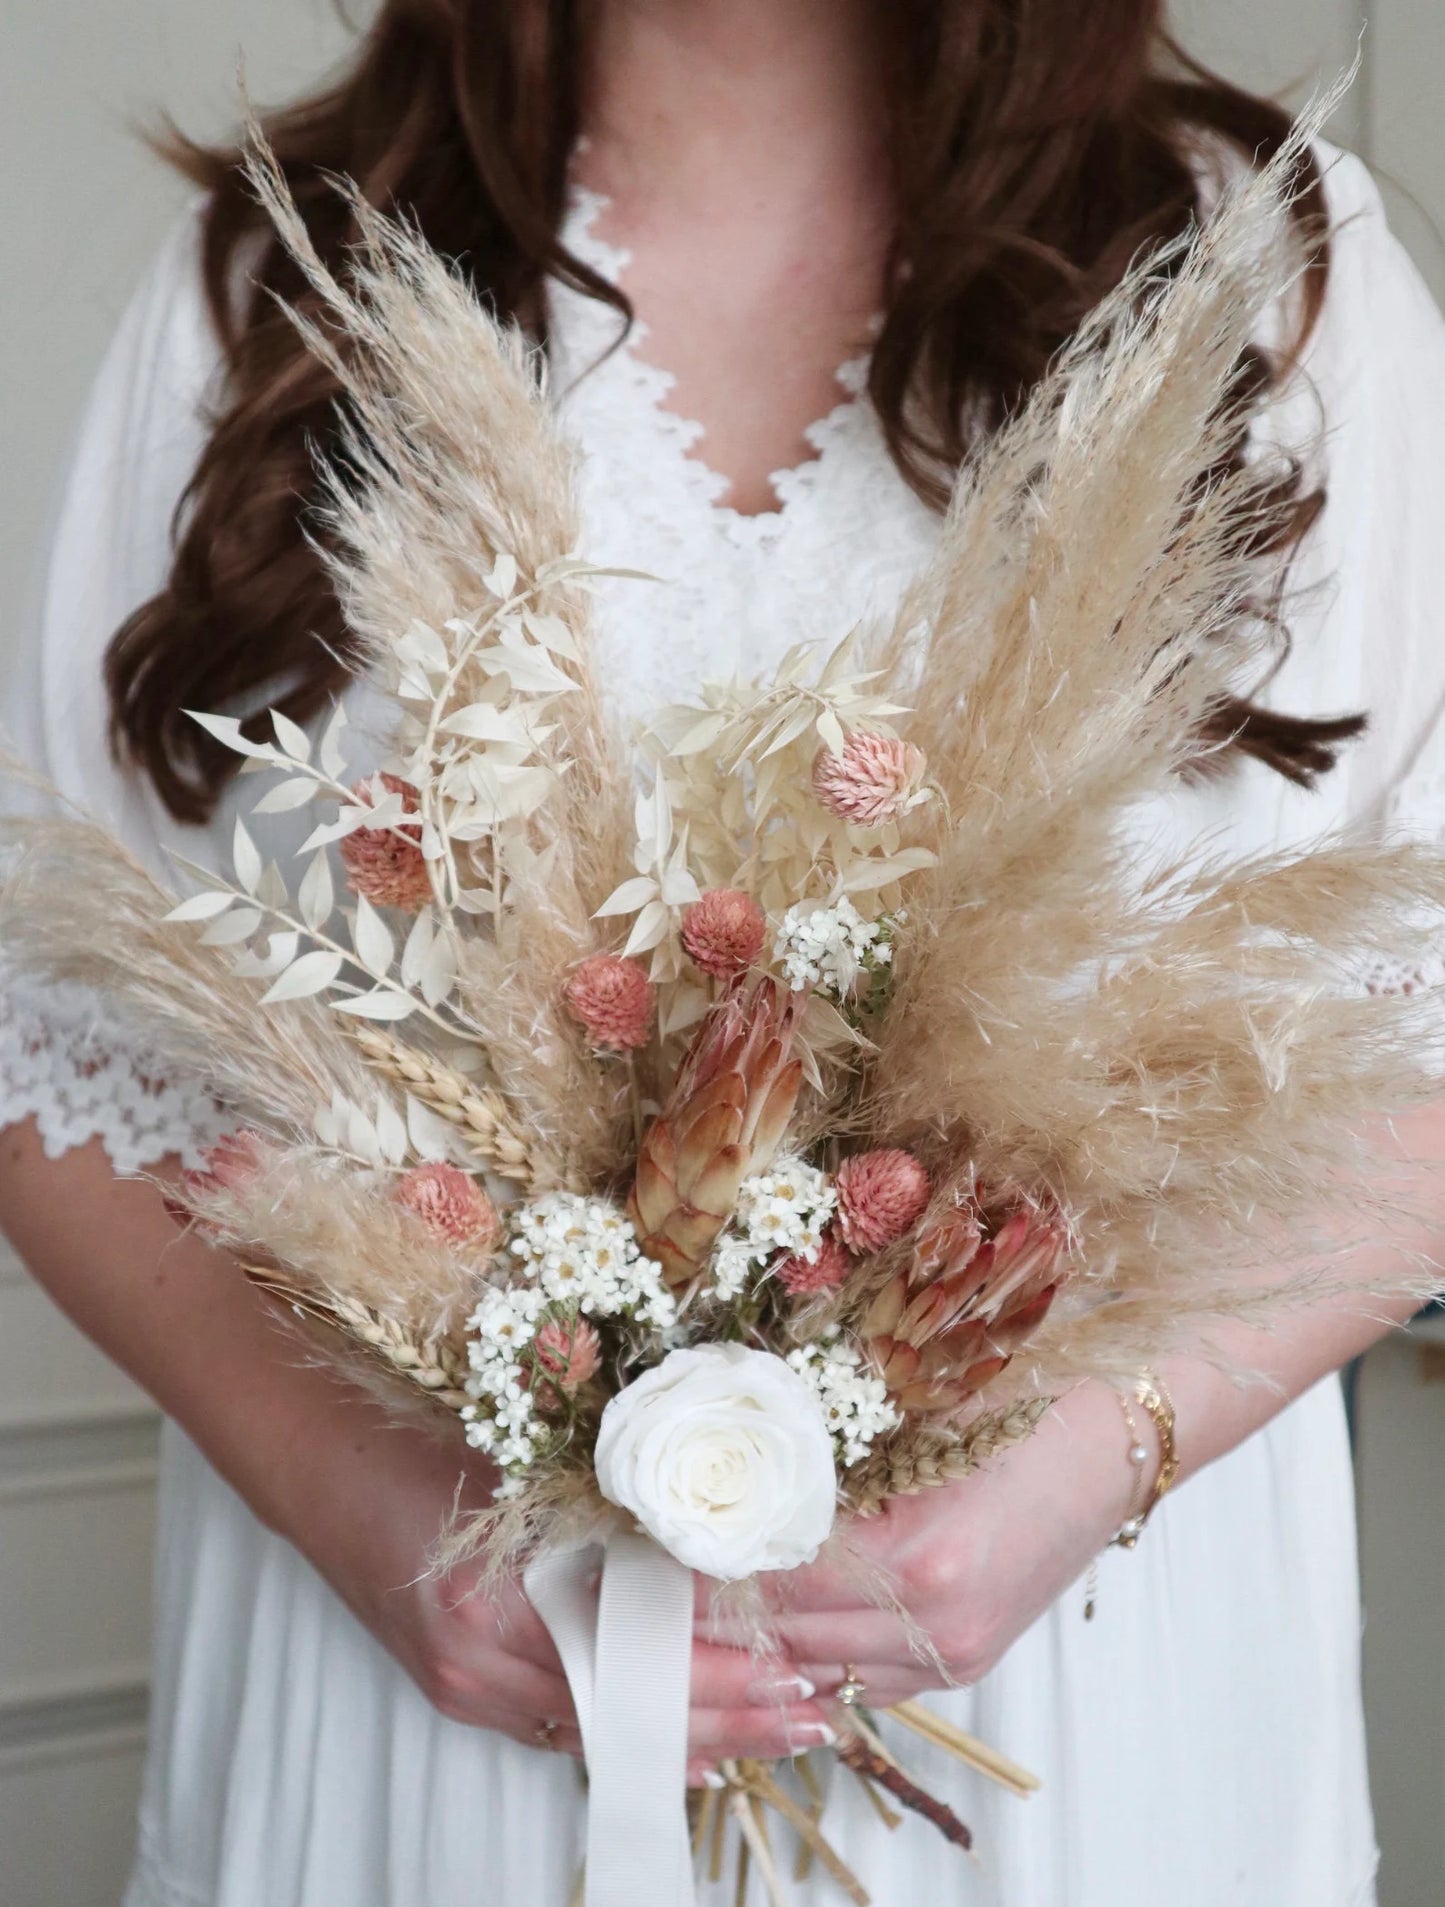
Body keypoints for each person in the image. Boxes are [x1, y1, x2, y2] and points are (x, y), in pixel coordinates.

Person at [3, 4, 1445, 1903]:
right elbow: (57, 1045)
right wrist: (359, 1514)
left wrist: (1089, 1459)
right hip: (413, 1681)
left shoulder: (1270, 266)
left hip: (1081, 1694)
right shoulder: (287, 282)